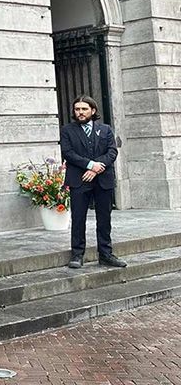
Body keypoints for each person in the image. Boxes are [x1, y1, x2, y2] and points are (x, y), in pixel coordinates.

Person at [61, 95, 126, 269]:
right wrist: (90, 165)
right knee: (78, 218)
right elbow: (68, 153)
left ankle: (106, 254)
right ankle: (77, 255)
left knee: (104, 219)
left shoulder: (105, 130)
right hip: (79, 180)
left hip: (103, 180)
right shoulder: (67, 130)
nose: (80, 112)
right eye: (77, 109)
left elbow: (112, 152)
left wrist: (96, 168)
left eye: (84, 109)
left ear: (93, 110)